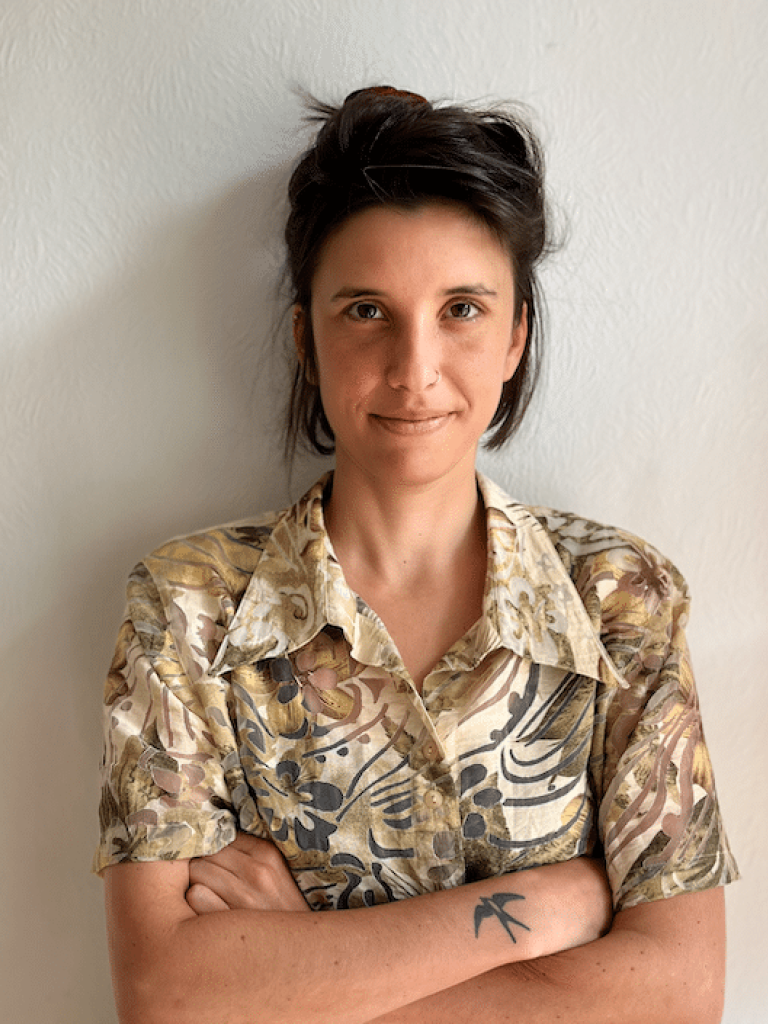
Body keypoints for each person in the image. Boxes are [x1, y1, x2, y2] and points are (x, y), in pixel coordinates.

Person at [95, 86, 739, 1024]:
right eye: (366, 310)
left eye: (462, 309)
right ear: (306, 339)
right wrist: (540, 908)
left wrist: (300, 977)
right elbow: (168, 995)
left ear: (516, 335)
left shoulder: (619, 595)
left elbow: (680, 994)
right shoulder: (186, 604)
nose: (415, 369)